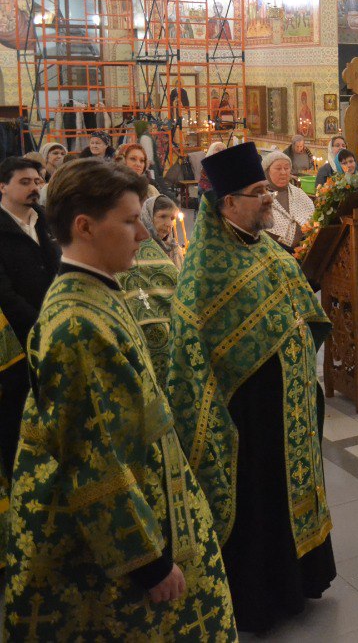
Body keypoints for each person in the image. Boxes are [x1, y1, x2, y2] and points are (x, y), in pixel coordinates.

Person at [4, 159, 235, 639]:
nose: (142, 233)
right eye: (129, 222)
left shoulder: (97, 292)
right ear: (84, 227)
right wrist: (148, 564)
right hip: (106, 557)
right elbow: (92, 462)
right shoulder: (77, 325)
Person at [168, 141, 336, 633]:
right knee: (258, 501)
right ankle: (261, 596)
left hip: (291, 408)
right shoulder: (204, 271)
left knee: (290, 492)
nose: (268, 198)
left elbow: (306, 311)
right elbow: (192, 359)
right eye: (258, 191)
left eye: (267, 188)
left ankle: (302, 578)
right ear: (228, 204)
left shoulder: (269, 251)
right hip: (245, 418)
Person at [0, 157, 61, 480]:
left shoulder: (46, 222)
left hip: (54, 335)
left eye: (37, 182)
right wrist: (41, 326)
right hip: (17, 345)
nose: (34, 188)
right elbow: (5, 295)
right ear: (2, 186)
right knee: (17, 416)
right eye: (25, 182)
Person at [119, 194, 183, 362]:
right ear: (147, 216)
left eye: (172, 218)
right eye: (162, 217)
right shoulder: (134, 248)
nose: (168, 224)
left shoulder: (174, 248)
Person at [261, 150, 317, 252]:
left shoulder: (298, 193)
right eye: (278, 168)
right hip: (273, 252)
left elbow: (313, 218)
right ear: (267, 172)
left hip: (306, 249)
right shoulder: (260, 198)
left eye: (286, 168)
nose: (283, 172)